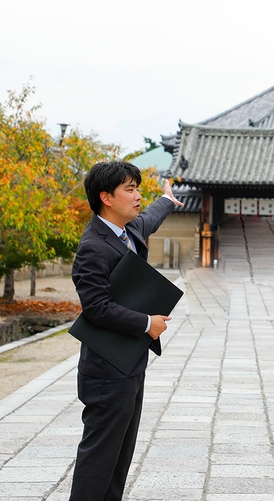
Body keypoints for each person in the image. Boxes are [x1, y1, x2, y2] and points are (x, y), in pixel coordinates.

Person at [70, 161, 183, 501]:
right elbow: (97, 307)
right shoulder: (93, 247)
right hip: (105, 370)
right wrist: (148, 323)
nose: (137, 196)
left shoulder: (128, 231)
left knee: (119, 459)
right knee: (99, 458)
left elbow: (150, 218)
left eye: (137, 188)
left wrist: (166, 200)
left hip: (129, 364)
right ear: (106, 197)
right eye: (130, 189)